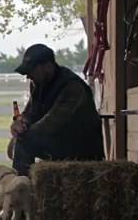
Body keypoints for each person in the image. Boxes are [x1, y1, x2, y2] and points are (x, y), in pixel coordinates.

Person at [8, 44, 104, 176]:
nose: (28, 76)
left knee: (24, 142)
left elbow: (51, 123)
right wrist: (20, 123)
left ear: (47, 66)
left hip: (81, 148)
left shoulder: (72, 87)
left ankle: (20, 189)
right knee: (22, 141)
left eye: (31, 71)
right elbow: (31, 113)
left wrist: (22, 135)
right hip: (61, 142)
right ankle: (22, 187)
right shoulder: (39, 84)